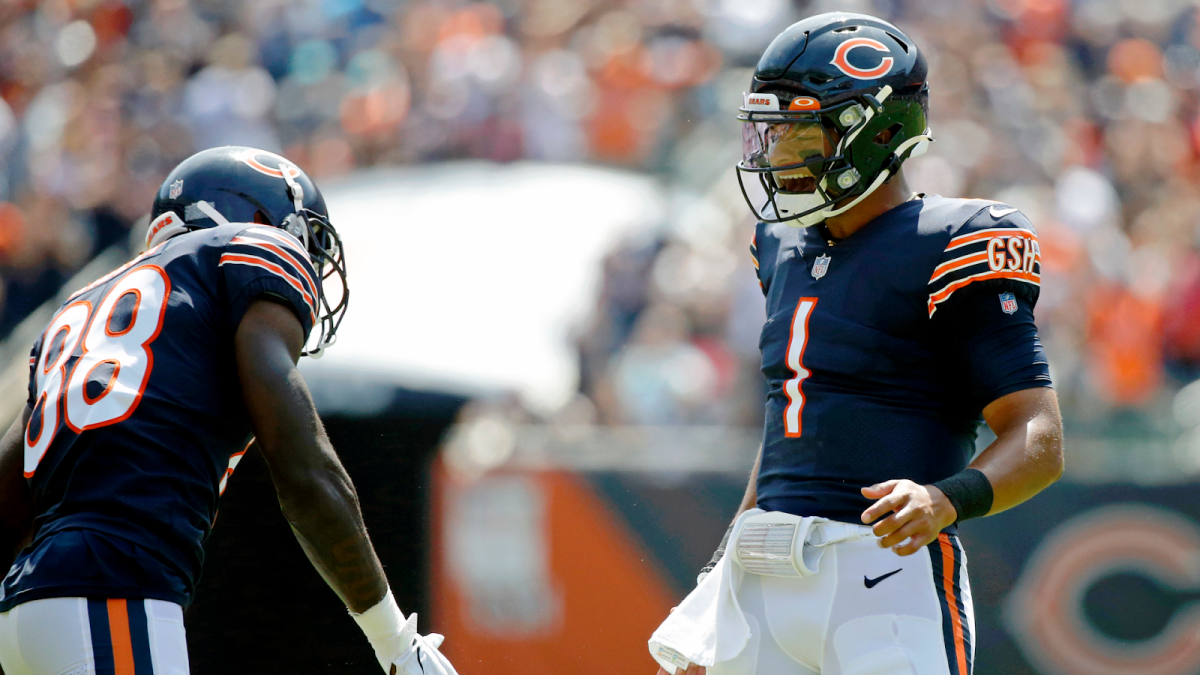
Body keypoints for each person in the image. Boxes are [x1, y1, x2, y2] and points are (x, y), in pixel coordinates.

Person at [649, 13, 1063, 675]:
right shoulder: (778, 244)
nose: (775, 155)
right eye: (769, 133)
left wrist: (945, 497)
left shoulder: (954, 238)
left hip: (882, 568)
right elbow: (793, 420)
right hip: (764, 567)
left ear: (875, 133)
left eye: (799, 133)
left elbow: (1038, 435)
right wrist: (727, 561)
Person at [0, 146, 458, 675]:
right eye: (301, 238)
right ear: (257, 218)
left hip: (26, 610)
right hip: (111, 590)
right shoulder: (246, 250)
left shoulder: (78, 309)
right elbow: (304, 470)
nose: (306, 258)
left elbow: (8, 502)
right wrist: (397, 642)